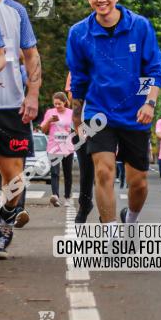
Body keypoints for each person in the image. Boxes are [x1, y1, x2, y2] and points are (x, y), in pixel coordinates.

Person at [66, 0, 161, 225]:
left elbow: (155, 70)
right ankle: (110, 230)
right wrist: (77, 118)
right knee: (103, 172)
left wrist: (150, 103)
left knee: (139, 182)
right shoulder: (79, 33)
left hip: (135, 114)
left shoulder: (139, 26)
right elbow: (79, 79)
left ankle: (130, 218)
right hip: (98, 113)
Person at [0, 0, 42, 258]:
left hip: (11, 104)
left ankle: (6, 220)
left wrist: (33, 94)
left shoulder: (15, 11)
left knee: (13, 176)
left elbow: (31, 54)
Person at [65, 73, 96, 223]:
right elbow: (72, 98)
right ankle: (84, 205)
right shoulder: (76, 69)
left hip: (104, 124)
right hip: (80, 124)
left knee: (105, 168)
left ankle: (107, 213)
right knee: (87, 168)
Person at [40, 92, 75, 207]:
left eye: (59, 104)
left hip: (67, 146)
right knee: (54, 172)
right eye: (55, 104)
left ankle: (67, 197)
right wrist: (49, 120)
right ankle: (55, 196)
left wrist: (71, 131)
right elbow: (43, 130)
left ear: (65, 102)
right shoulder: (50, 112)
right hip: (53, 147)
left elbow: (77, 128)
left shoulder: (71, 113)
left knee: (67, 173)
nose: (57, 106)